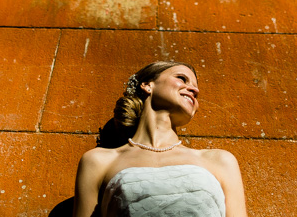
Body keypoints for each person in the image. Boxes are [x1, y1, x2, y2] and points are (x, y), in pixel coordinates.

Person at [73, 61, 248, 217]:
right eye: (182, 78)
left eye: (195, 87)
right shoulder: (98, 161)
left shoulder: (220, 161)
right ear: (147, 86)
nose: (195, 90)